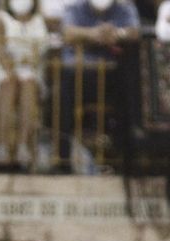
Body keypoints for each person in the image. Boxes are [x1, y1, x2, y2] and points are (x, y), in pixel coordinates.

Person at [59, 0, 141, 172]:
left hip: (114, 75)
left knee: (131, 91)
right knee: (63, 96)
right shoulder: (75, 8)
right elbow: (67, 33)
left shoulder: (125, 9)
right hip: (80, 74)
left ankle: (124, 161)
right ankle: (63, 160)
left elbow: (134, 32)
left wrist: (117, 34)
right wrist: (94, 34)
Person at [0, 0, 52, 168]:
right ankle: (2, 145)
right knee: (9, 83)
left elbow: (41, 49)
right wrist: (10, 66)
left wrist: (29, 61)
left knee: (28, 83)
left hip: (30, 69)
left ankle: (23, 145)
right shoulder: (1, 18)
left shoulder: (38, 21)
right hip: (3, 68)